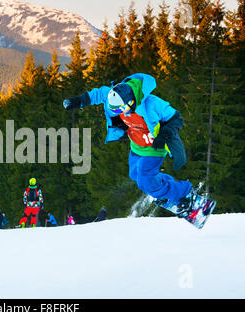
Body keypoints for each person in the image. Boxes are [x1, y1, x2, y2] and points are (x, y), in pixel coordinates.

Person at [63, 73, 200, 218]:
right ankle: (164, 188)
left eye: (119, 109)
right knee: (135, 175)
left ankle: (184, 193)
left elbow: (176, 118)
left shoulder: (152, 104)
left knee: (145, 181)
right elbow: (97, 94)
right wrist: (77, 101)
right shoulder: (114, 96)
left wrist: (164, 135)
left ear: (130, 102)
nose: (119, 113)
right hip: (136, 146)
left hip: (154, 148)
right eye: (114, 110)